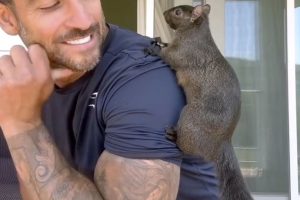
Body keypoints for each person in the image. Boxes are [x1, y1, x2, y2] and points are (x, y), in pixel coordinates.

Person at [0, 0, 219, 199]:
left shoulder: (145, 79)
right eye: (50, 4)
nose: (84, 21)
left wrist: (21, 123)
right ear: (7, 18)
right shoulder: (26, 81)